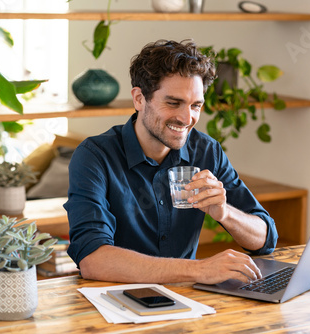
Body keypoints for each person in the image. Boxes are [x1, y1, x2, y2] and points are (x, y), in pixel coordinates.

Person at [64, 39, 278, 285]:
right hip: (115, 303)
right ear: (139, 99)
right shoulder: (95, 157)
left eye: (196, 105)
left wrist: (225, 212)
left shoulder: (207, 151)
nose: (187, 118)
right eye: (173, 103)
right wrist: (199, 270)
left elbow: (265, 238)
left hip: (188, 301)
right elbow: (93, 260)